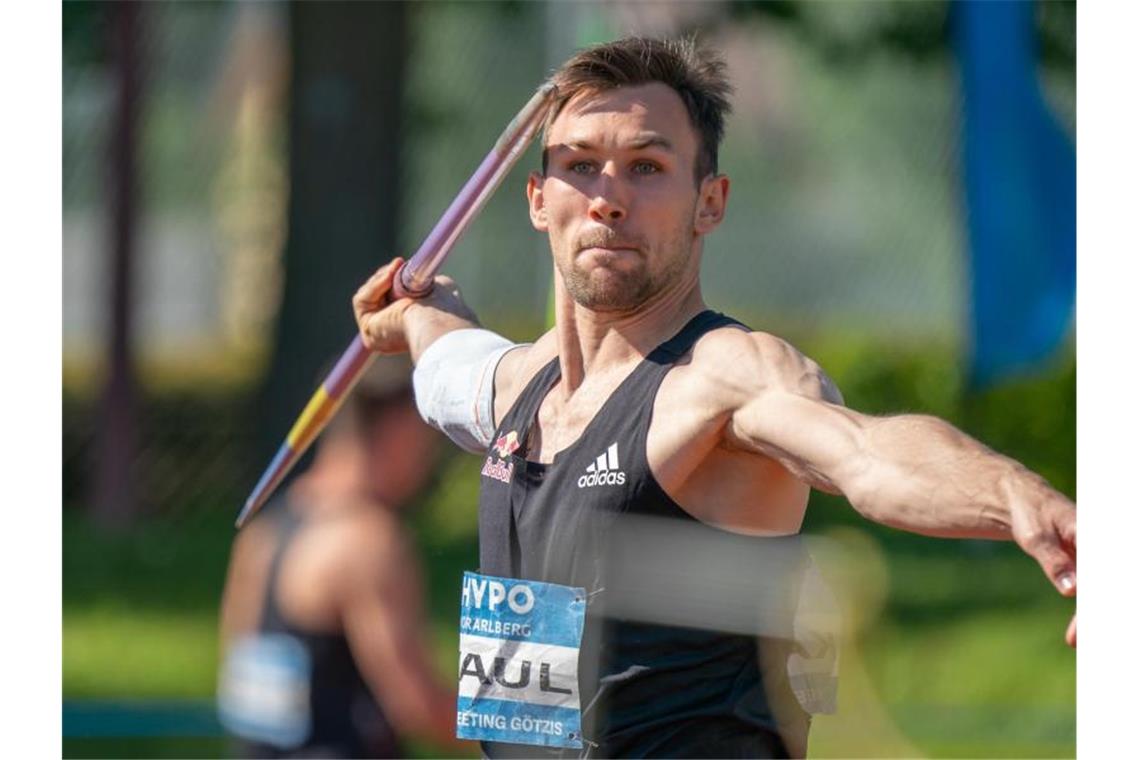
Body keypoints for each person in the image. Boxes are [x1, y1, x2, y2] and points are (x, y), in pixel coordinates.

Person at [351, 37, 1076, 758]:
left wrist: (1022, 500)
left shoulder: (722, 380)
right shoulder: (519, 390)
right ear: (540, 200)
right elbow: (452, 370)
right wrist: (417, 313)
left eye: (646, 166)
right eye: (580, 167)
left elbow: (866, 453)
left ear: (710, 202)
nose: (608, 198)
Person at [217, 356, 467, 758]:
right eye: (428, 438)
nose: (430, 459)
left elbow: (237, 670)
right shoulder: (368, 542)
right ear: (398, 428)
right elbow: (417, 705)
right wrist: (531, 742)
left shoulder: (265, 529)